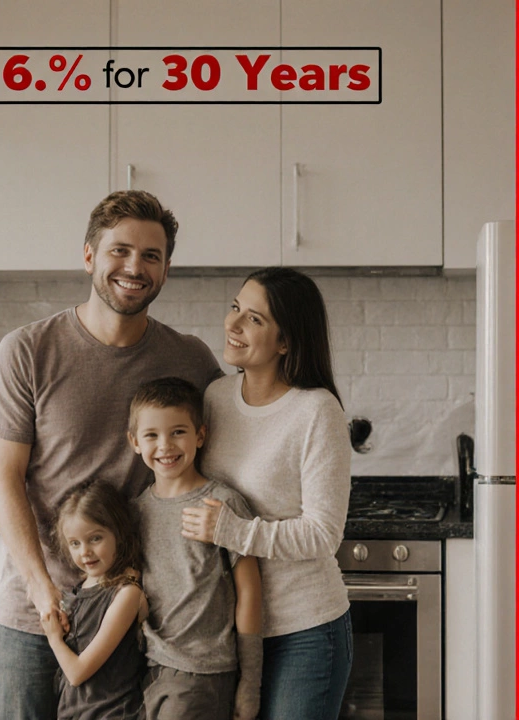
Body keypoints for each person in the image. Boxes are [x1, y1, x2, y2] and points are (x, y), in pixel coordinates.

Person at [0, 190, 223, 719]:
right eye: (120, 250)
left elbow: (227, 449)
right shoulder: (27, 351)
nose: (135, 267)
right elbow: (4, 480)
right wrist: (43, 592)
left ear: (166, 268)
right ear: (89, 255)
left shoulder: (189, 358)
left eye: (151, 255)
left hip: (134, 621)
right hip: (36, 616)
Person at [180, 267, 353, 719]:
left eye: (254, 319)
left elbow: (323, 534)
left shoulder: (316, 410)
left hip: (305, 631)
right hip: (231, 632)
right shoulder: (215, 398)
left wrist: (233, 532)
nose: (232, 324)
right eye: (236, 308)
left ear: (286, 341)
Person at [127, 377, 264, 720]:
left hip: (203, 673)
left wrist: (251, 683)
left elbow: (250, 593)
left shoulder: (224, 504)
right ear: (134, 443)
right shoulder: (136, 512)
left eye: (178, 432)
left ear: (200, 436)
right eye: (151, 435)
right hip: (149, 668)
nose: (165, 446)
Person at [42, 479, 148, 720]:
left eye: (95, 538)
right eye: (75, 543)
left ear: (118, 534)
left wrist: (54, 638)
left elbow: (77, 673)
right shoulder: (82, 588)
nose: (84, 552)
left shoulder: (126, 594)